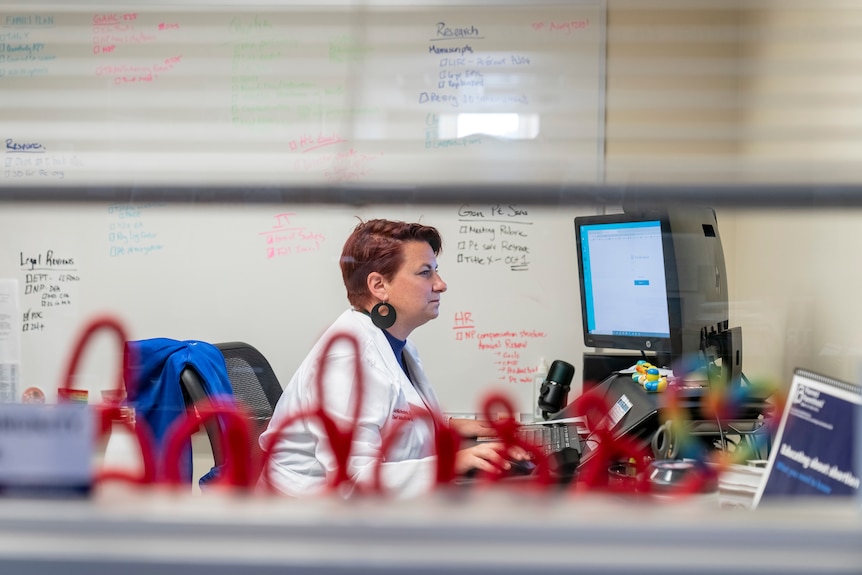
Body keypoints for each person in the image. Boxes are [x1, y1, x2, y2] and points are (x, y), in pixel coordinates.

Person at [259, 218, 528, 498]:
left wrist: (445, 426)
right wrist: (452, 463)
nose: (441, 284)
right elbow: (353, 481)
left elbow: (390, 416)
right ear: (378, 285)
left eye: (436, 271)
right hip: (310, 522)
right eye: (425, 273)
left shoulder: (394, 342)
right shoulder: (348, 360)